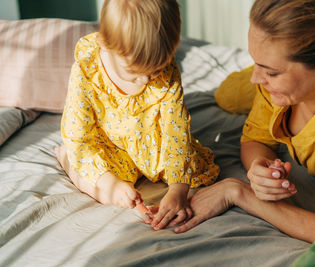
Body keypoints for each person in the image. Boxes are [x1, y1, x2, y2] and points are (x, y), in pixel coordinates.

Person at [174, 0, 315, 242]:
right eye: (256, 62)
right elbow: (255, 138)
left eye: (271, 72)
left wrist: (239, 192)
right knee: (227, 95)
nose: (256, 79)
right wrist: (263, 169)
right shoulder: (276, 86)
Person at [55, 0, 219, 231]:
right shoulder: (87, 69)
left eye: (156, 71)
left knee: (194, 169)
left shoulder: (166, 71)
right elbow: (79, 137)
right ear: (105, 44)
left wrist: (177, 190)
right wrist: (110, 183)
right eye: (134, 73)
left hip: (151, 143)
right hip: (109, 146)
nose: (145, 81)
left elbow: (177, 135)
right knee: (99, 182)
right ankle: (67, 160)